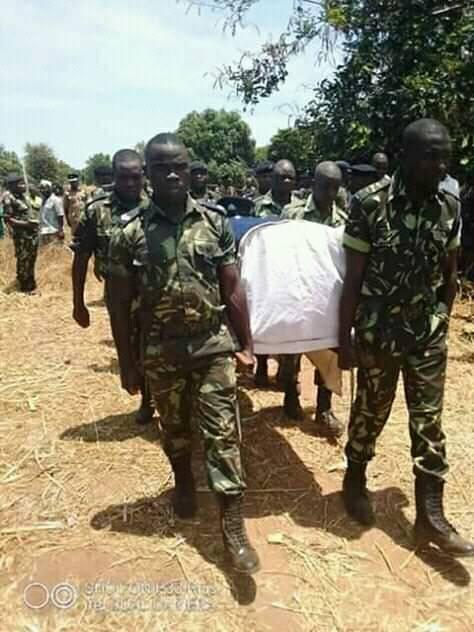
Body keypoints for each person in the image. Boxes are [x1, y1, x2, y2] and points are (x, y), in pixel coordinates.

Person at [107, 133, 260, 574]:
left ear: (190, 169)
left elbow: (232, 288)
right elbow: (118, 304)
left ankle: (233, 527)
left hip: (212, 346)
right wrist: (127, 364)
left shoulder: (214, 222)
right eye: (162, 168)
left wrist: (246, 343)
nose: (172, 174)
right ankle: (184, 482)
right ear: (148, 174)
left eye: (179, 166)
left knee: (222, 435)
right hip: (161, 350)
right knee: (174, 430)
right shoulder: (129, 233)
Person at [338, 118, 473, 556]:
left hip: (426, 334)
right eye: (432, 157)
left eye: (445, 157)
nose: (441, 165)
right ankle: (354, 480)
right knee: (371, 412)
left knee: (429, 420)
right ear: (407, 156)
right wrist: (344, 338)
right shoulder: (370, 204)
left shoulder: (448, 206)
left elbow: (449, 272)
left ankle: (430, 516)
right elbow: (352, 281)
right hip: (378, 333)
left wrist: (442, 315)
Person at [70, 149, 154, 426]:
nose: (130, 183)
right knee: (129, 346)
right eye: (123, 177)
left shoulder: (157, 205)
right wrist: (78, 303)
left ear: (143, 175)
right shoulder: (97, 210)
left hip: (154, 290)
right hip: (119, 293)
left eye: (136, 177)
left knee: (156, 346)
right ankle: (144, 395)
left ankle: (154, 397)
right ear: (114, 177)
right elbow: (81, 257)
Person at [280, 161, 346, 436]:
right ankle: (290, 395)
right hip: (296, 292)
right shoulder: (292, 213)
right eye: (325, 187)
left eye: (335, 188)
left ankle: (324, 407)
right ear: (313, 185)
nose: (330, 193)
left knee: (329, 352)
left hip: (327, 297)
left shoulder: (343, 220)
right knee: (291, 350)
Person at [254, 159, 297, 388]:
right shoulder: (258, 206)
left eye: (290, 177)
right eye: (282, 177)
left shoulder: (301, 208)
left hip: (293, 274)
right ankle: (261, 364)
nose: (286, 181)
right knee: (265, 320)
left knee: (292, 325)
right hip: (266, 273)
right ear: (273, 179)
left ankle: (287, 373)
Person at [2, 174, 40, 292]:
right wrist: (26, 224)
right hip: (22, 235)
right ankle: (23, 286)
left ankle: (31, 284)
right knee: (23, 259)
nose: (23, 185)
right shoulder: (8, 197)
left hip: (31, 234)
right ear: (12, 185)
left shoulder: (22, 195)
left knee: (31, 258)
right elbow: (8, 219)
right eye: (20, 184)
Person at [38, 180, 64, 245]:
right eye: (41, 188)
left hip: (53, 232)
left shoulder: (56, 200)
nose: (42, 190)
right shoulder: (42, 200)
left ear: (50, 189)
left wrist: (60, 231)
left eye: (44, 188)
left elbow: (60, 216)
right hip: (43, 232)